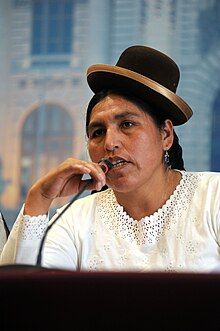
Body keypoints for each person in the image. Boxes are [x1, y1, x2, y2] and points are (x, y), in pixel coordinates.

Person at [1, 45, 220, 272]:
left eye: (127, 124)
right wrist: (41, 197)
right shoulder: (75, 219)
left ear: (165, 135)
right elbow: (24, 296)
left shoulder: (214, 197)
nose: (109, 143)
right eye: (97, 132)